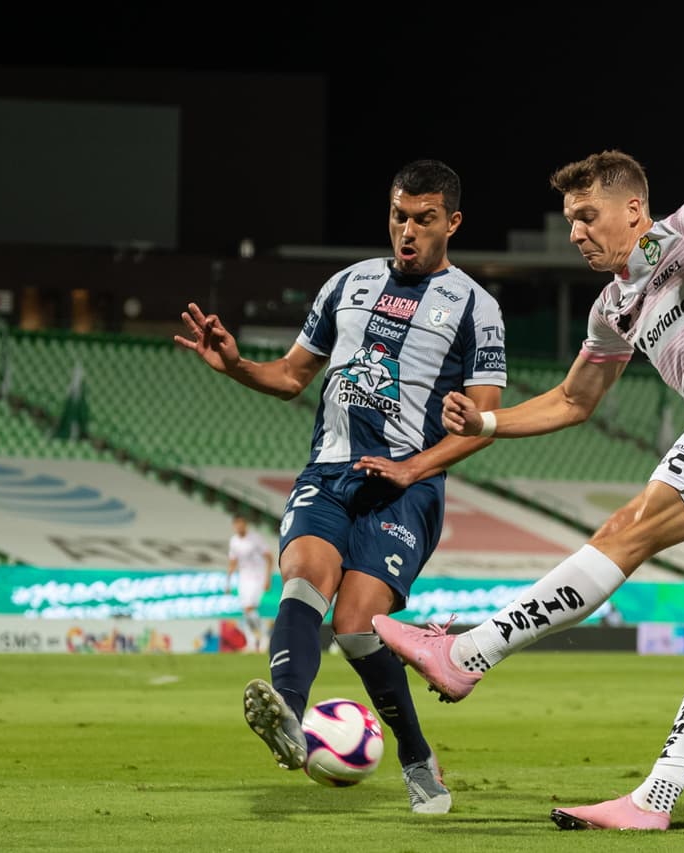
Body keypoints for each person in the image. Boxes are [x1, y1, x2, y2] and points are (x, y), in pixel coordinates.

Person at [373, 39, 684, 831]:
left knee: (627, 528)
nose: (577, 233)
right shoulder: (611, 309)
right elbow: (572, 399)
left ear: (633, 209)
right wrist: (487, 420)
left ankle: (469, 652)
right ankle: (654, 799)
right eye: (569, 222)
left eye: (587, 216)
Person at [173, 159, 507, 815]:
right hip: (328, 472)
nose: (407, 230)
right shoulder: (347, 283)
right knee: (301, 578)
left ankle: (416, 756)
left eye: (424, 219)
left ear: (453, 223)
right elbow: (292, 375)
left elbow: (485, 422)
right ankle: (288, 718)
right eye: (399, 216)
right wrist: (236, 365)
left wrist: (413, 467)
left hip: (406, 488)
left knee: (355, 627)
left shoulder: (476, 306)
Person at [226, 513, 274, 652]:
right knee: (246, 611)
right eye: (237, 524)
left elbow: (269, 558)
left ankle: (265, 636)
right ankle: (252, 642)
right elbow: (233, 562)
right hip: (243, 577)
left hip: (257, 576)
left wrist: (268, 578)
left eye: (242, 523)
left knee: (249, 608)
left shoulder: (255, 539)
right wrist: (228, 582)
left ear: (245, 524)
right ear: (234, 526)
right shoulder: (234, 541)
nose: (239, 526)